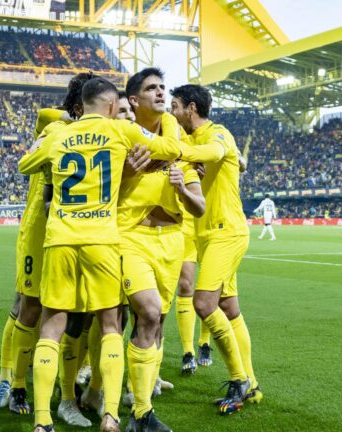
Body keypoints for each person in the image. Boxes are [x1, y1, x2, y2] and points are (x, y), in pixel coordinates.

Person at [18, 77, 184, 432]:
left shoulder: (58, 135)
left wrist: (49, 141)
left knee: (52, 326)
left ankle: (43, 421)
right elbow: (171, 148)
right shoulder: (120, 132)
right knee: (111, 324)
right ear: (111, 106)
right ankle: (110, 414)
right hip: (103, 240)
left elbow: (25, 165)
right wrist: (167, 120)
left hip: (61, 238)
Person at [0, 73, 96, 424]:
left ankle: (72, 383)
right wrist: (77, 117)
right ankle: (13, 382)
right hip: (40, 231)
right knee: (30, 306)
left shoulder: (101, 135)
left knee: (79, 312)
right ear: (79, 105)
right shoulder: (53, 128)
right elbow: (45, 116)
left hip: (80, 232)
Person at [118, 67, 205, 431]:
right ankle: (140, 411)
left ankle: (137, 399)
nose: (160, 93)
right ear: (133, 100)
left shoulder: (177, 146)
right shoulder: (121, 138)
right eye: (151, 88)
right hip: (131, 237)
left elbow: (198, 206)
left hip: (171, 240)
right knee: (148, 313)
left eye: (162, 87)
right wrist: (126, 172)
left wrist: (182, 188)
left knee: (155, 322)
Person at [170, 84, 262, 415]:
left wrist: (179, 152)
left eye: (176, 106)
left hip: (227, 232)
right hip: (208, 234)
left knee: (204, 303)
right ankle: (251, 383)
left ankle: (238, 380)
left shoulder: (218, 133)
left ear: (191, 108)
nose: (172, 112)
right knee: (229, 307)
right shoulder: (187, 139)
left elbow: (218, 153)